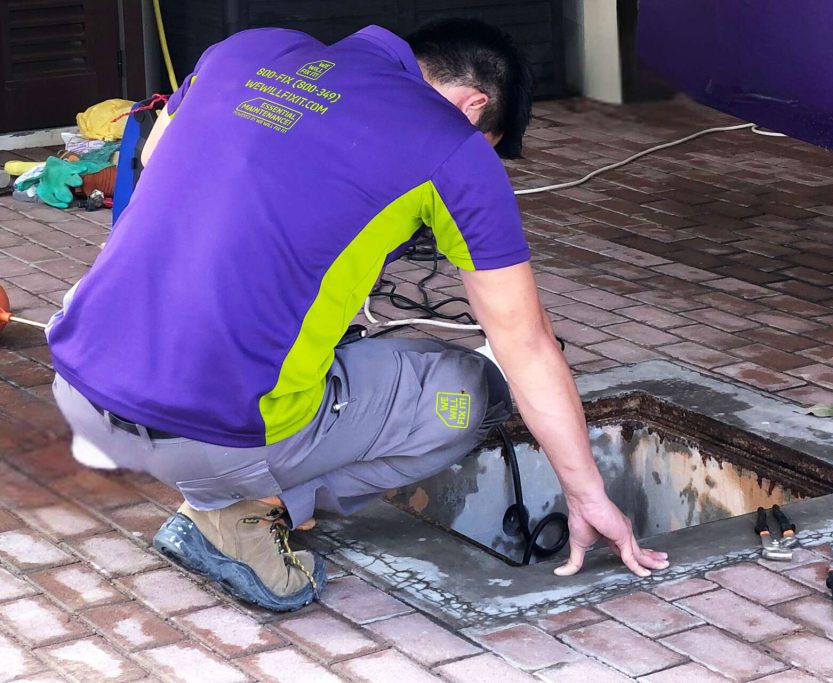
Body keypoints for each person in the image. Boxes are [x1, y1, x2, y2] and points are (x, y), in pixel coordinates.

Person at [46, 18, 669, 612]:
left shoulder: (243, 50)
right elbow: (527, 344)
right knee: (469, 391)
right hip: (209, 435)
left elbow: (154, 172)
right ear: (473, 107)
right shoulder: (450, 144)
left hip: (79, 379)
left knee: (319, 344)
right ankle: (244, 514)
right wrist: (587, 494)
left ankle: (230, 491)